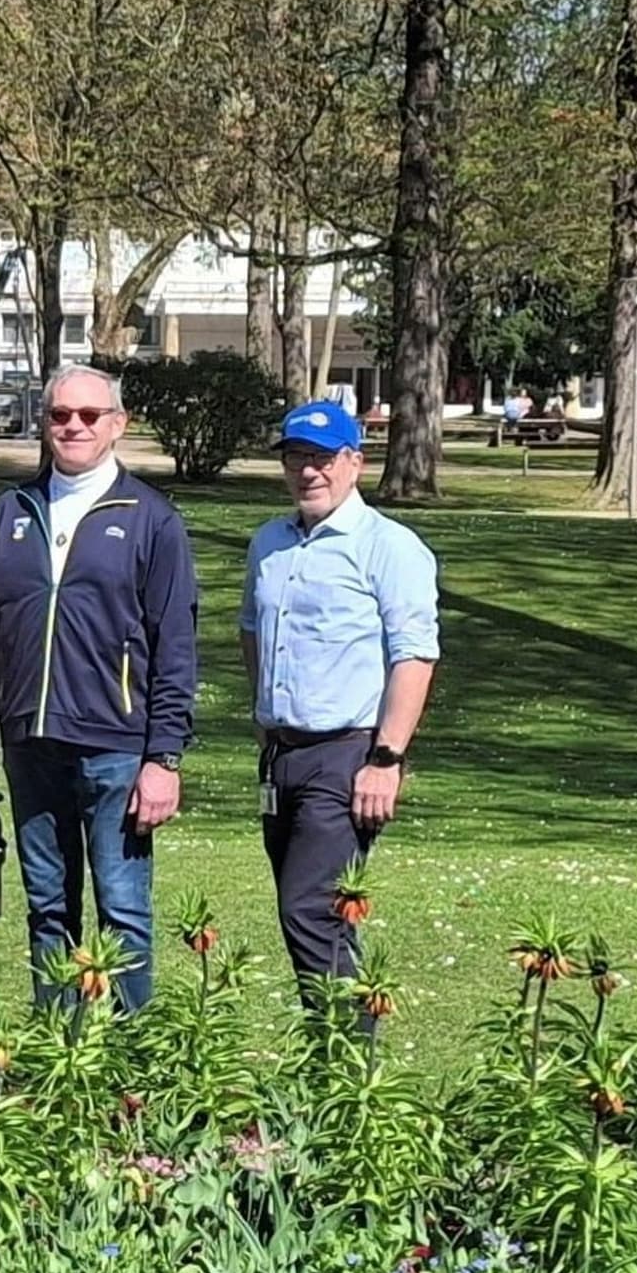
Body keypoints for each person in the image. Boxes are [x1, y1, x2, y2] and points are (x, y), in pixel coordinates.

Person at [0, 362, 199, 1011]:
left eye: (89, 415)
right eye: (60, 415)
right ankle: (59, 1061)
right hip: (30, 745)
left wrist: (164, 758)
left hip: (117, 750)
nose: (73, 426)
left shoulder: (152, 520)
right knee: (47, 909)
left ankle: (128, 1069)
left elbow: (175, 649)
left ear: (117, 425)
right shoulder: (11, 512)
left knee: (123, 912)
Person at [243, 398, 440, 987]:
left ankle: (346, 1061)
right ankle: (333, 1054)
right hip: (282, 756)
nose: (310, 471)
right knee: (305, 909)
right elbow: (251, 633)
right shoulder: (269, 544)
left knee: (312, 909)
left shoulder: (389, 545)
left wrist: (386, 759)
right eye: (298, 457)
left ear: (354, 462)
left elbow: (415, 655)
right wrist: (264, 715)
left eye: (324, 458)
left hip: (346, 755)